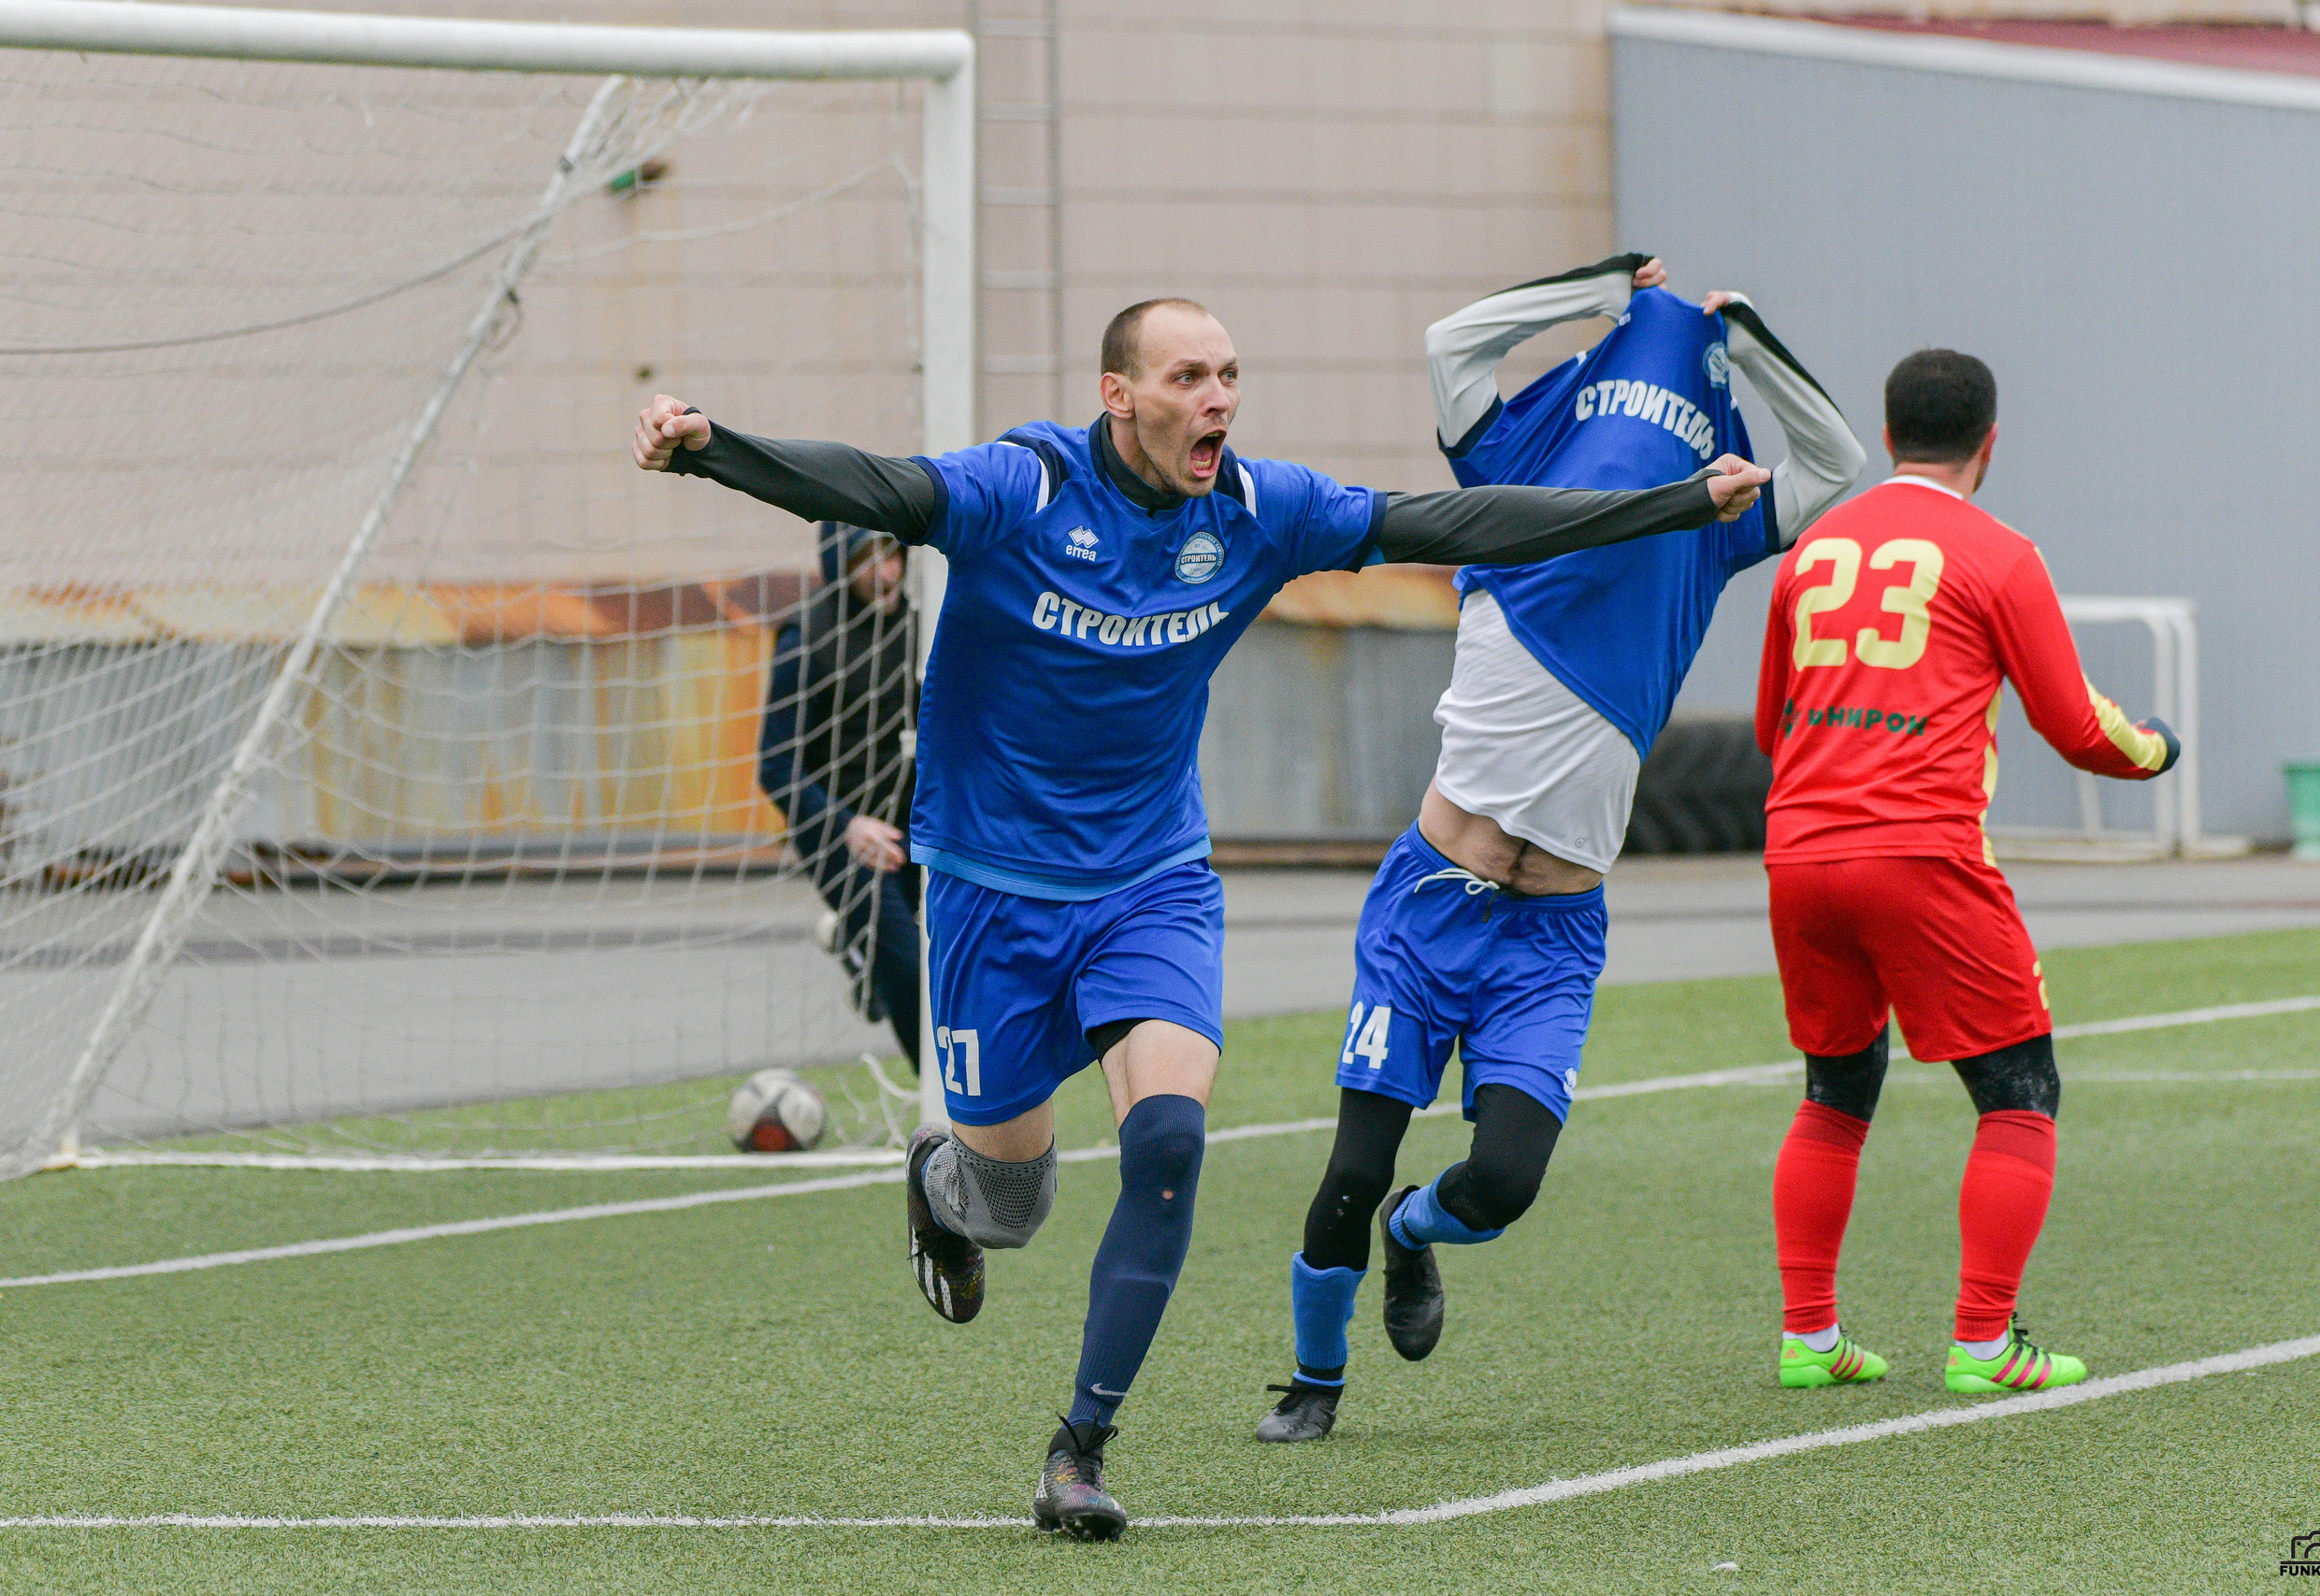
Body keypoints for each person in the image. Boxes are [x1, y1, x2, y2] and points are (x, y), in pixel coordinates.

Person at [635, 296, 1768, 1539]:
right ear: (1120, 393)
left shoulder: (1259, 511)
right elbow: (883, 489)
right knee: (1008, 1204)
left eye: (1231, 372)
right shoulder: (1023, 486)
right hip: (987, 886)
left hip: (1151, 880)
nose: (1219, 396)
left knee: (1170, 1137)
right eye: (1189, 374)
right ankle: (941, 1183)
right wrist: (712, 447)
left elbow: (1448, 519)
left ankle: (1081, 1445)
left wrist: (1674, 503)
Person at [1257, 254, 1866, 1443]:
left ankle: (1413, 1236)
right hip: (1429, 907)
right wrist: (1597, 290)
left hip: (1552, 933)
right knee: (1348, 1167)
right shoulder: (1516, 472)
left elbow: (1838, 462)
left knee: (1505, 1183)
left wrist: (1746, 341)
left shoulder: (1713, 527)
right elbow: (1451, 343)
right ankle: (1312, 1382)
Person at [1754, 349, 2177, 1395]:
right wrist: (2157, 747)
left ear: (1887, 434)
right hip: (1921, 852)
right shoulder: (1997, 553)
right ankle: (1985, 1343)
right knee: (2019, 1089)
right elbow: (2078, 727)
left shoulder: (1810, 551)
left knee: (1836, 1088)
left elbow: (1774, 724)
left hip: (1799, 850)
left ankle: (1810, 1335)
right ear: (1991, 443)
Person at [757, 523, 920, 1066]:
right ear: (839, 566)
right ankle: (948, 1110)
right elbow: (774, 765)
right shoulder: (804, 637)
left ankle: (859, 953)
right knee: (907, 967)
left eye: (893, 554)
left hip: (913, 825)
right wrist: (848, 825)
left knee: (960, 955)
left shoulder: (920, 628)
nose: (886, 572)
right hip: (839, 834)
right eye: (867, 559)